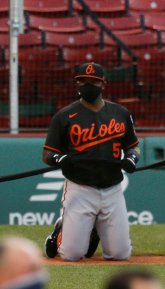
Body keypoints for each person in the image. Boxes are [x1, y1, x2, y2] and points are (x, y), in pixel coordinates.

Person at [42, 63, 139, 262]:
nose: (88, 84)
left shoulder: (120, 113)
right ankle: (59, 231)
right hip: (80, 187)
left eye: (93, 81)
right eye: (83, 81)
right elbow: (47, 153)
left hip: (112, 187)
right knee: (71, 255)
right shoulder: (64, 116)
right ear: (76, 83)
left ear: (103, 84)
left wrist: (132, 158)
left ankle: (92, 230)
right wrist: (59, 159)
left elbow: (133, 146)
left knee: (120, 254)